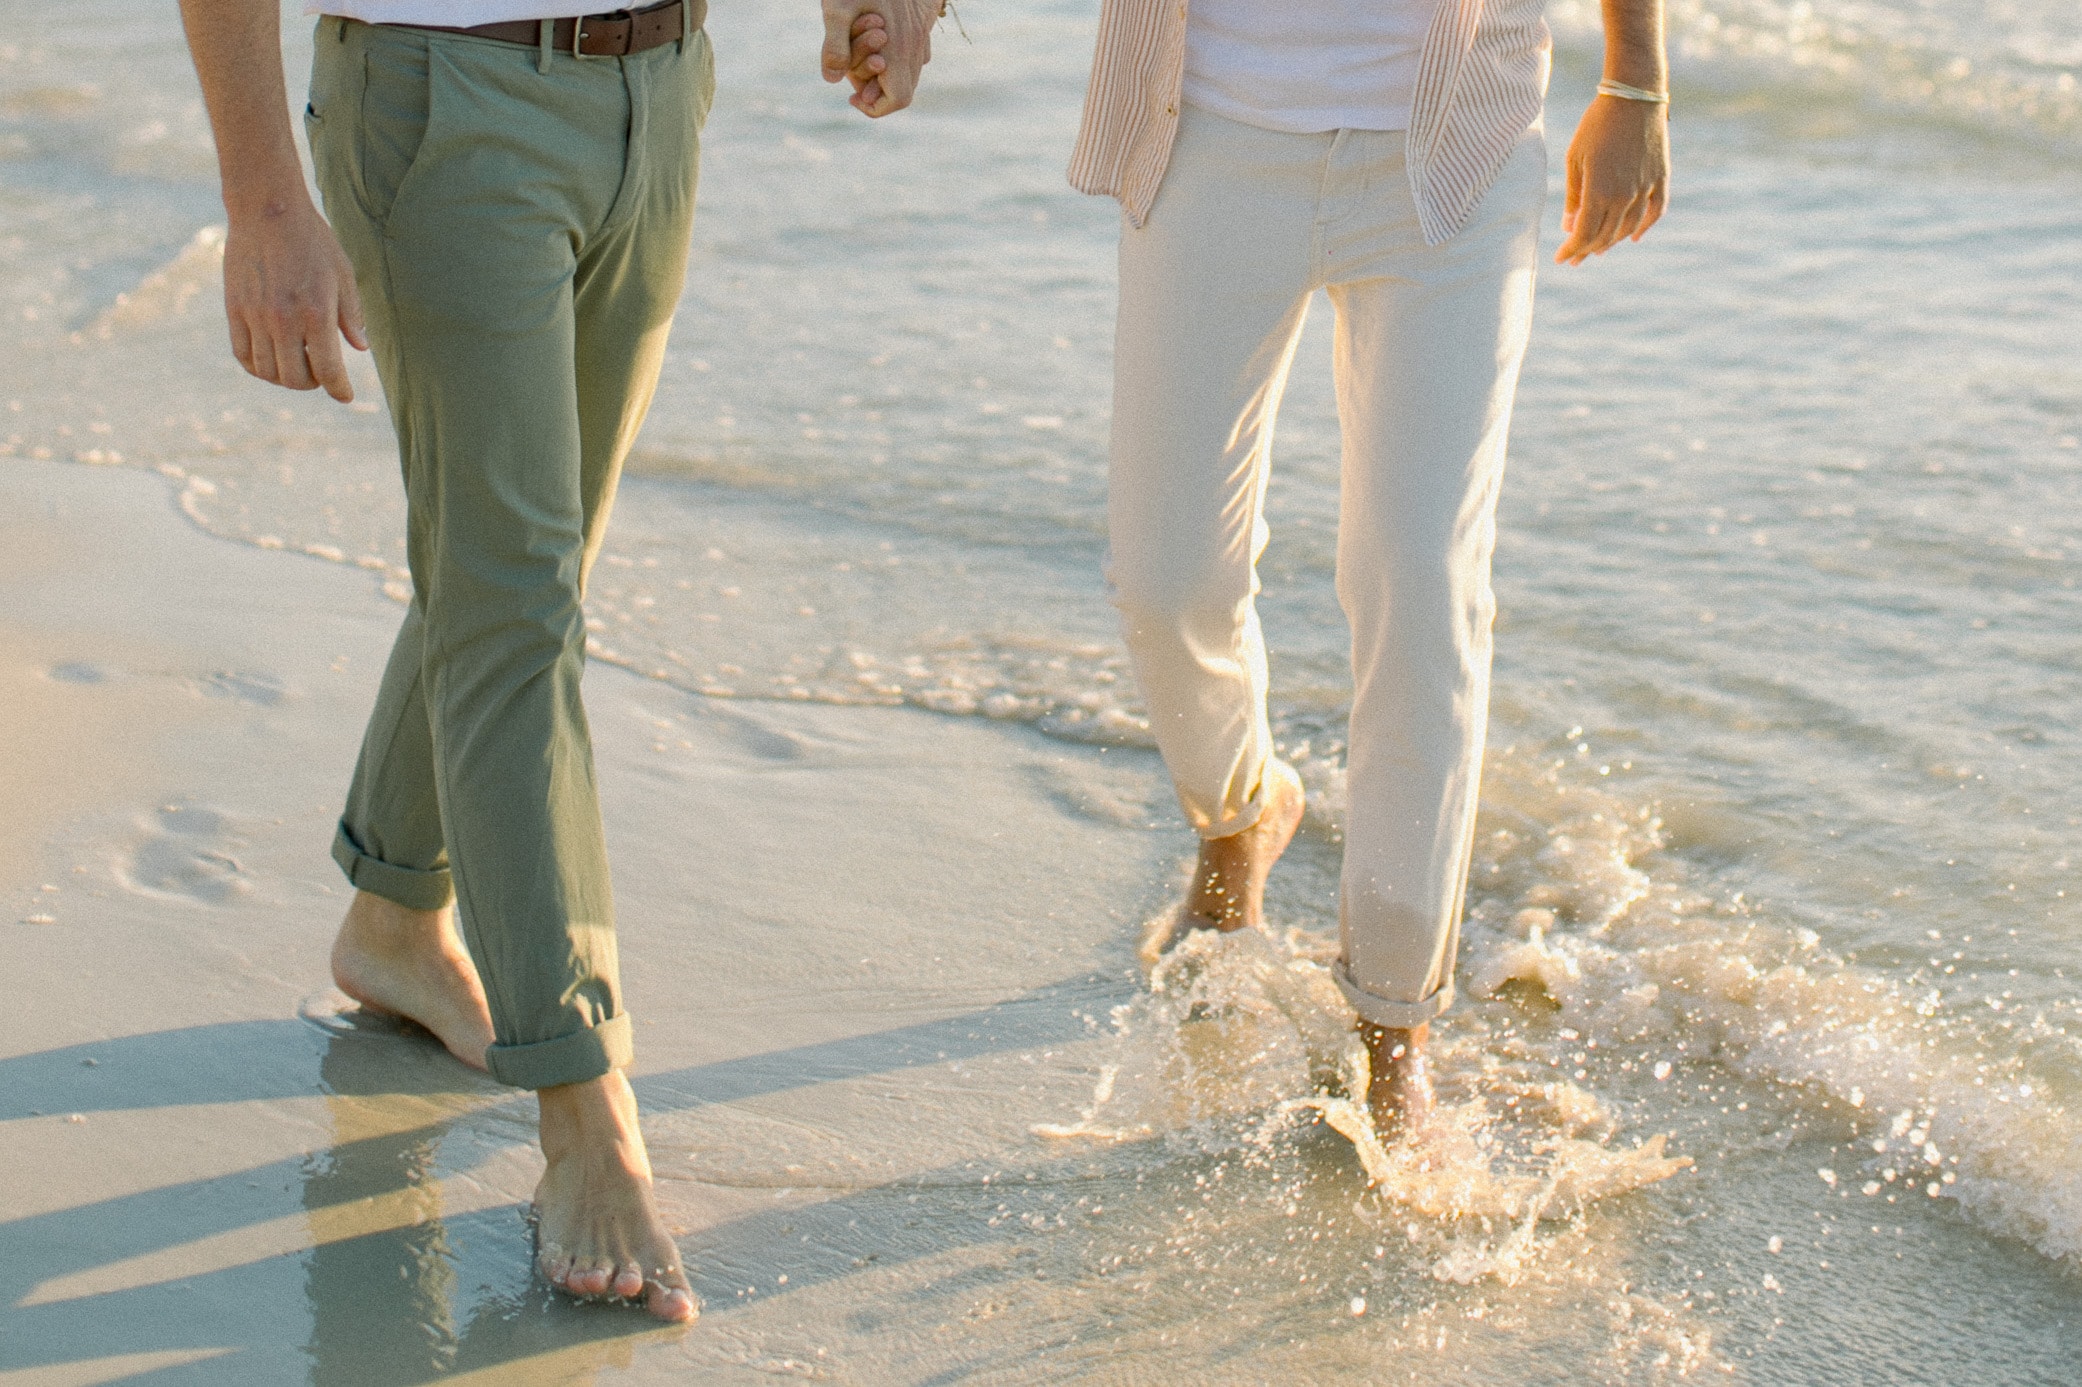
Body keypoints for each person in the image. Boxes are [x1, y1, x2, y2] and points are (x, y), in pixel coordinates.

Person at [177, 0, 937, 1321]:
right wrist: (261, 202)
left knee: (520, 567)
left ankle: (397, 918)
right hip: (445, 99)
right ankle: (586, 1112)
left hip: (659, 87)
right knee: (515, 600)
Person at [1068, 0, 1670, 1132]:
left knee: (1420, 583)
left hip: (1453, 143)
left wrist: (1635, 85)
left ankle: (1393, 1021)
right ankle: (1241, 810)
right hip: (1202, 125)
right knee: (1165, 579)